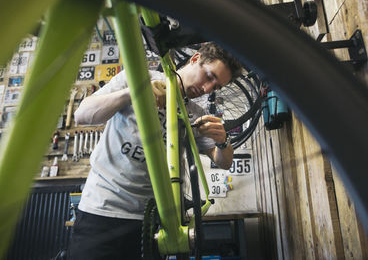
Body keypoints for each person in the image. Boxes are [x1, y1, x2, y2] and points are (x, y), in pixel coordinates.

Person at [68, 42, 242, 259]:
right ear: (196, 59)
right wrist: (133, 93)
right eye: (209, 76)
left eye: (216, 87)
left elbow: (223, 162)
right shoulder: (138, 79)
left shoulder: (196, 114)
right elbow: (82, 115)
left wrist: (223, 141)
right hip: (103, 208)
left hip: (152, 222)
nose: (207, 89)